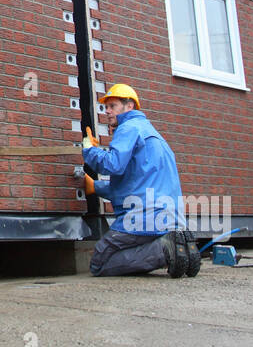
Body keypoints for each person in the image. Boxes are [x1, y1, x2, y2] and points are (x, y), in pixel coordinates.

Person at [79, 84, 200, 279]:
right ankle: (180, 249)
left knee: (99, 263)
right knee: (127, 251)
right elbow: (134, 184)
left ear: (130, 106)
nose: (107, 111)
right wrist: (96, 187)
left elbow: (112, 165)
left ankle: (163, 251)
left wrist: (89, 149)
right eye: (106, 106)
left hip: (143, 218)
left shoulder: (128, 128)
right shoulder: (153, 134)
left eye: (113, 105)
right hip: (170, 218)